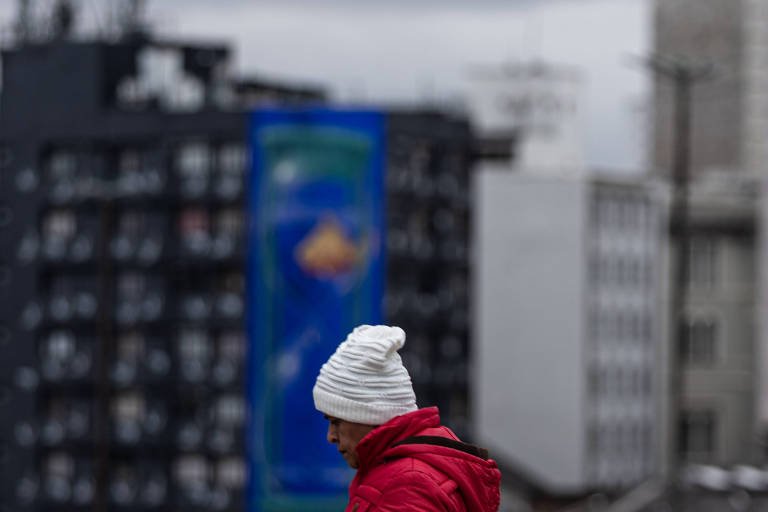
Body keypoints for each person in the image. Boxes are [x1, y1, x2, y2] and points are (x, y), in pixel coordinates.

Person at [313, 324, 501, 511]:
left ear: (369, 414)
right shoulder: (404, 471)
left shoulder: (406, 487)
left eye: (336, 422)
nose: (331, 436)